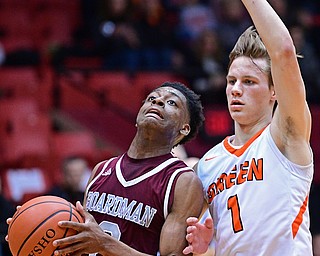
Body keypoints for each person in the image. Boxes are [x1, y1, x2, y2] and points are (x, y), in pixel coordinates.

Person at [183, 0, 314, 255]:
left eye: (249, 81)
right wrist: (203, 250)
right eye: (231, 80)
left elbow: (284, 52)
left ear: (274, 91)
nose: (236, 89)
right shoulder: (208, 164)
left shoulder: (285, 136)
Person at [46, 81, 205, 255]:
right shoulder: (101, 170)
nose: (158, 102)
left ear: (184, 128)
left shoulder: (183, 181)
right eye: (151, 98)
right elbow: (82, 240)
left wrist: (105, 244)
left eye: (171, 103)